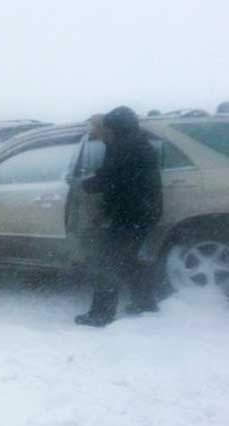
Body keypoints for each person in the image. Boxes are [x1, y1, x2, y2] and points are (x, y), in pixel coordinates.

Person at [75, 106, 163, 327]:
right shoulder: (136, 141)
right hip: (142, 211)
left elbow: (109, 179)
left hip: (131, 214)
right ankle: (145, 303)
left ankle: (100, 315)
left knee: (107, 262)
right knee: (129, 259)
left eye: (108, 128)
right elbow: (119, 179)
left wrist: (83, 185)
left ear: (117, 127)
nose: (106, 131)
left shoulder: (124, 146)